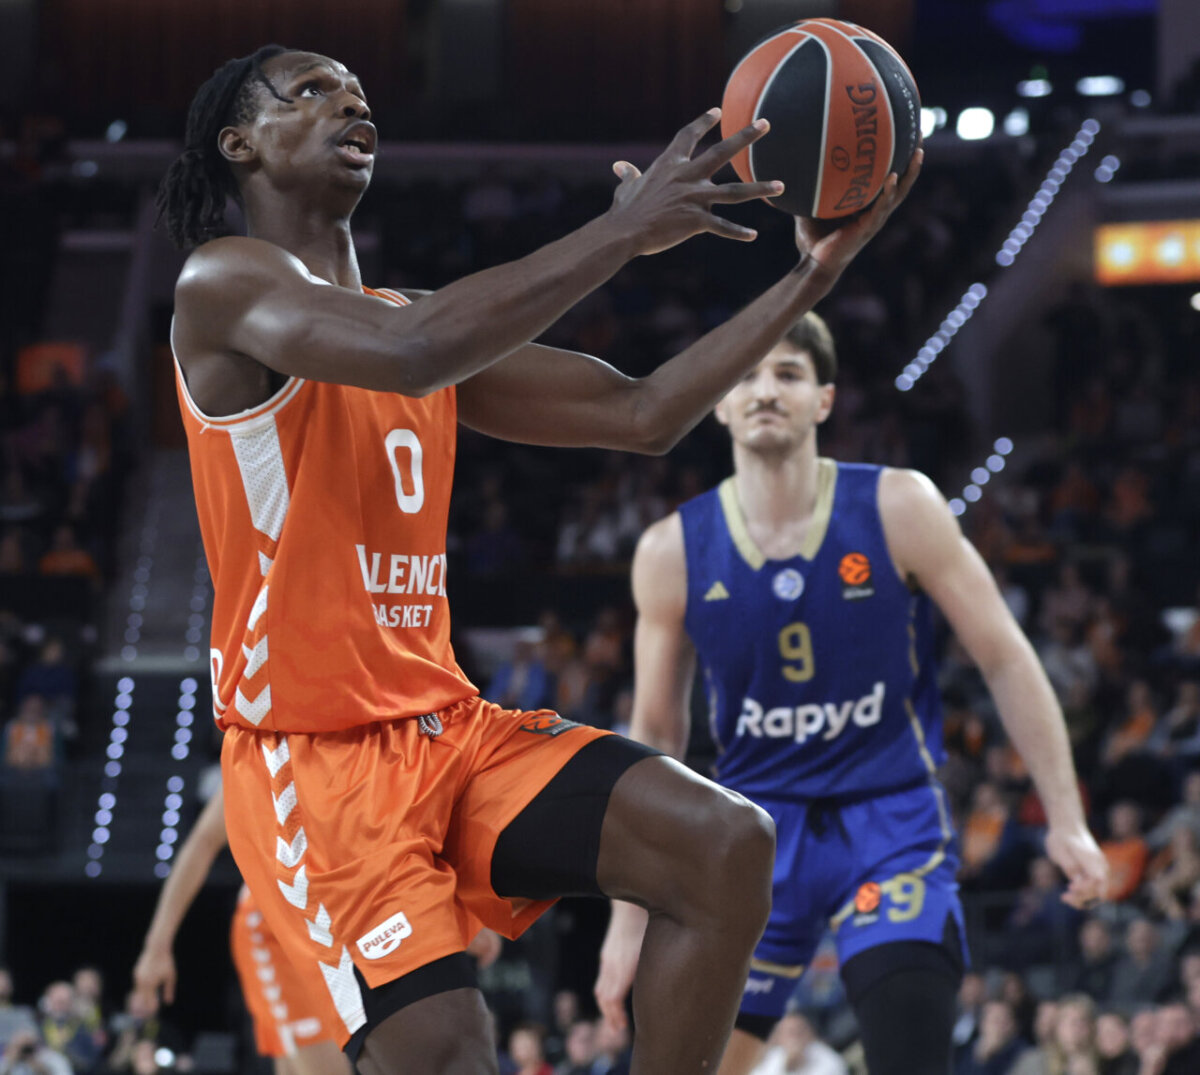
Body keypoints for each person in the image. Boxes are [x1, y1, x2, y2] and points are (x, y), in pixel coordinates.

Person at [159, 43, 918, 1075]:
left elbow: (641, 412)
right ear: (238, 142)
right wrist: (620, 233)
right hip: (313, 760)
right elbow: (415, 351)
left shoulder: (406, 317)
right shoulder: (222, 283)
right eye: (311, 91)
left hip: (452, 733)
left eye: (360, 94)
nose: (348, 103)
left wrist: (812, 273)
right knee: (449, 1050)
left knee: (723, 844)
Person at [594, 311, 1108, 1075]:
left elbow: (1004, 655)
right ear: (720, 403)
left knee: (908, 1040)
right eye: (745, 375)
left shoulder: (900, 505)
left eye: (789, 373)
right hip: (754, 834)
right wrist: (627, 920)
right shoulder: (671, 550)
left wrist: (1066, 818)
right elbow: (656, 738)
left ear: (825, 401)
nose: (766, 389)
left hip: (889, 818)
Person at [132, 787, 349, 1075]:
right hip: (277, 927)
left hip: (337, 921)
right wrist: (156, 945)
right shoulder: (262, 748)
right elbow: (203, 841)